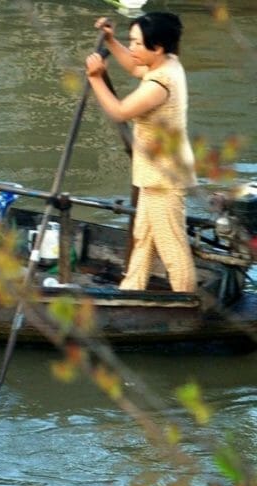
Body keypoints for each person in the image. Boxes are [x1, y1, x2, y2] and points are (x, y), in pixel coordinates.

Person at [85, 13, 197, 293]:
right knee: (143, 236)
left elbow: (120, 111)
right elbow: (135, 68)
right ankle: (131, 290)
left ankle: (186, 302)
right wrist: (111, 41)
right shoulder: (167, 62)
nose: (132, 48)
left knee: (172, 245)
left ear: (157, 47)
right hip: (154, 173)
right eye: (131, 42)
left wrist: (96, 78)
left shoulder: (160, 84)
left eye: (137, 43)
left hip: (164, 177)